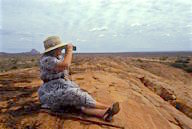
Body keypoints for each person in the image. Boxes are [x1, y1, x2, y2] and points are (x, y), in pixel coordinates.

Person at [37, 36, 120, 121]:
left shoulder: (58, 57)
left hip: (61, 87)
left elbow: (65, 67)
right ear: (52, 50)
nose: (61, 50)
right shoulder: (46, 59)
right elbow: (65, 65)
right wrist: (69, 50)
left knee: (77, 102)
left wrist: (67, 52)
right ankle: (108, 107)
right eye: (59, 48)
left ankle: (104, 114)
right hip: (49, 93)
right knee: (73, 93)